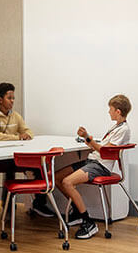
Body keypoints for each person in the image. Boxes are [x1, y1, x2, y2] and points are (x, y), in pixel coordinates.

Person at [54, 95, 132, 240]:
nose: (109, 112)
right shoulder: (115, 127)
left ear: (118, 111)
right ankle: (77, 212)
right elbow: (100, 148)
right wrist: (87, 139)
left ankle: (88, 222)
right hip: (92, 161)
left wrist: (88, 137)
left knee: (67, 182)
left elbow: (104, 152)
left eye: (111, 109)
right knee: (57, 177)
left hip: (100, 166)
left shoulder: (124, 130)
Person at [0, 82, 56, 218]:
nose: (12, 101)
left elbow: (27, 130)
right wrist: (18, 137)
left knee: (38, 166)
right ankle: (7, 209)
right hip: (0, 158)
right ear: (0, 100)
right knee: (10, 170)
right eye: (9, 98)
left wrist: (27, 135)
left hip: (14, 156)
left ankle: (39, 204)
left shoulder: (15, 116)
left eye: (13, 98)